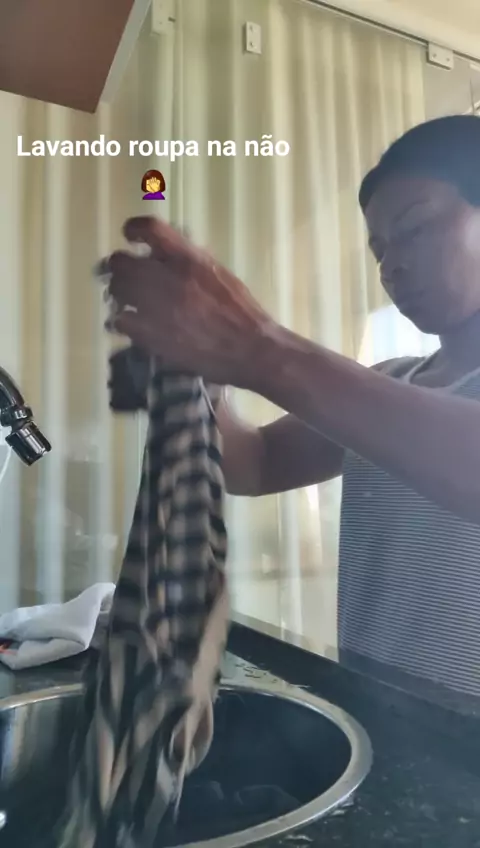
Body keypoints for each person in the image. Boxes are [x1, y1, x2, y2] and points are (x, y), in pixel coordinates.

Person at [99, 115, 480, 698]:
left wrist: (256, 347)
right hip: (377, 708)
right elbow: (254, 464)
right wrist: (195, 380)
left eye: (416, 227)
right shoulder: (392, 380)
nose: (391, 267)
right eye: (379, 249)